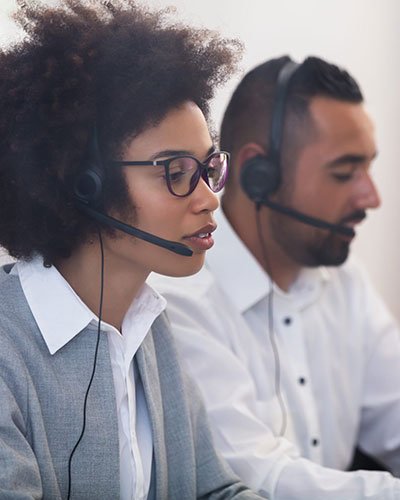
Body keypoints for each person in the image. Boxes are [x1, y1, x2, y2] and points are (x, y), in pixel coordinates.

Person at [0, 1, 265, 498]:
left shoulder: (149, 328)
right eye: (176, 173)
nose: (210, 197)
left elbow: (216, 490)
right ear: (85, 184)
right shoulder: (6, 347)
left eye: (209, 168)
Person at [149, 56, 400, 499]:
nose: (371, 196)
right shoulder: (180, 302)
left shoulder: (345, 281)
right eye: (344, 172)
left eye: (368, 169)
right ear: (258, 174)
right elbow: (258, 481)